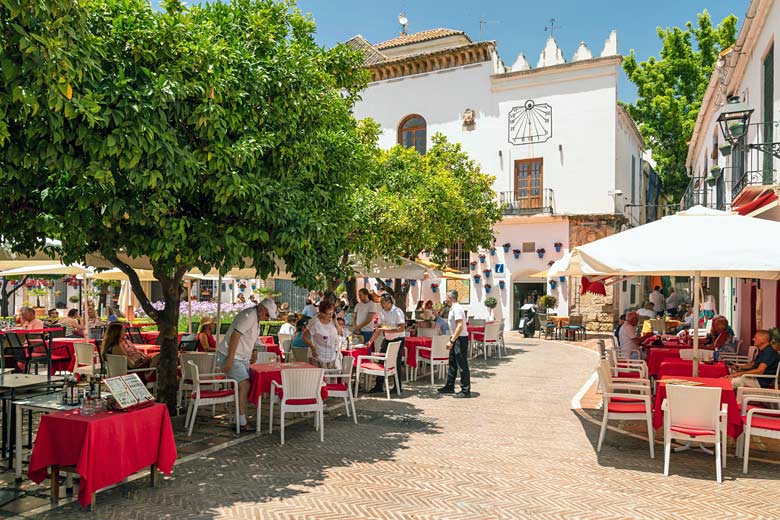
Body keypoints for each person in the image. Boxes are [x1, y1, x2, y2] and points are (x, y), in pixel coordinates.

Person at [217, 300, 270, 431]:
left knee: (244, 385)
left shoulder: (255, 317)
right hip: (233, 357)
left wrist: (255, 350)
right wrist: (229, 360)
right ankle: (241, 421)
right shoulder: (250, 316)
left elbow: (252, 338)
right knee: (244, 384)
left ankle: (240, 418)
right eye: (268, 315)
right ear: (262, 309)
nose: (268, 319)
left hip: (240, 357)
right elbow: (235, 336)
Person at [366, 294, 406, 394]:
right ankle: (379, 385)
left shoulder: (397, 312)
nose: (381, 304)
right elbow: (379, 329)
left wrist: (388, 330)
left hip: (398, 339)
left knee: (395, 363)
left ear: (389, 302)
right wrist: (371, 341)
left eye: (382, 302)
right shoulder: (382, 312)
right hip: (387, 339)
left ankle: (397, 386)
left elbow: (402, 327)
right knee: (381, 362)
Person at [438, 290, 471, 398]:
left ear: (450, 298)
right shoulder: (453, 308)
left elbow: (460, 325)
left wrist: (452, 340)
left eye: (446, 297)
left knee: (462, 364)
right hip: (456, 338)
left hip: (460, 339)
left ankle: (465, 390)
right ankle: (450, 386)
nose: (445, 299)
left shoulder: (457, 309)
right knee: (452, 363)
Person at [302, 300, 343, 369]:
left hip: (332, 356)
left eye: (332, 313)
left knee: (333, 378)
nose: (330, 315)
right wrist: (313, 348)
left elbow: (340, 333)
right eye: (328, 313)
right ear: (321, 313)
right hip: (318, 356)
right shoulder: (314, 323)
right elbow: (304, 337)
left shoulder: (332, 320)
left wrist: (335, 321)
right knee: (322, 379)